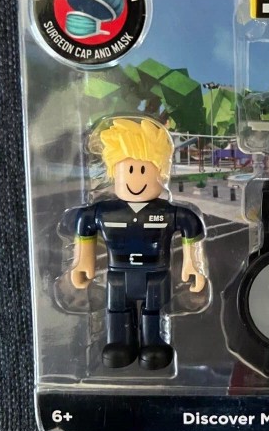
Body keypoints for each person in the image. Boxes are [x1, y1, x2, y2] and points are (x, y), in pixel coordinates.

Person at [70, 118, 207, 370]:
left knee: (154, 311)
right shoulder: (105, 212)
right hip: (118, 274)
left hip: (156, 274)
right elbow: (84, 224)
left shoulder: (166, 213)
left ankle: (154, 343)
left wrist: (193, 264)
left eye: (143, 170)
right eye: (130, 170)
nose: (136, 179)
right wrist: (82, 262)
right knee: (117, 310)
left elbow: (190, 224)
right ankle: (119, 343)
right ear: (114, 172)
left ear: (160, 173)